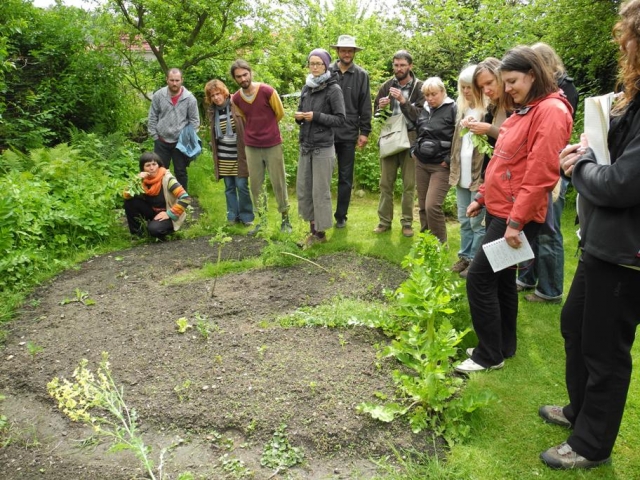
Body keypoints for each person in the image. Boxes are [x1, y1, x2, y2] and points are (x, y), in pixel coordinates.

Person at [538, 0, 640, 469]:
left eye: (628, 39)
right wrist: (590, 149)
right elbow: (612, 159)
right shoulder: (632, 97)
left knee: (605, 351)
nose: (623, 48)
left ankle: (590, 445)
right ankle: (580, 413)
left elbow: (622, 184)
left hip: (626, 252)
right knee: (574, 326)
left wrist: (579, 165)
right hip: (602, 243)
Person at [455, 46, 573, 374]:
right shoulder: (526, 108)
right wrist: (481, 196)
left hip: (515, 216)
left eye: (512, 81)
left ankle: (487, 354)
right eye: (504, 82)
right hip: (501, 209)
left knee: (478, 279)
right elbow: (504, 162)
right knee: (504, 280)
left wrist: (516, 222)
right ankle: (504, 345)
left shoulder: (550, 111)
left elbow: (539, 174)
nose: (507, 89)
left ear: (533, 75)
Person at [516, 42, 579, 304]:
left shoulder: (563, 91)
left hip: (552, 172)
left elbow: (554, 138)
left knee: (549, 233)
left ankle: (551, 290)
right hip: (539, 167)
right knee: (532, 228)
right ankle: (528, 277)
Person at [456, 57, 513, 279]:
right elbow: (495, 155)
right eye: (482, 87)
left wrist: (488, 128)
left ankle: (476, 266)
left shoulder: (520, 108)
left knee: (483, 277)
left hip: (511, 192)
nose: (487, 90)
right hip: (494, 184)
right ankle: (469, 259)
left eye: (490, 83)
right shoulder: (494, 108)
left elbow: (516, 145)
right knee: (502, 275)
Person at [230, 59, 291, 235]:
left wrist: (268, 129)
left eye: (245, 74)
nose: (243, 79)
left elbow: (279, 113)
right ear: (235, 79)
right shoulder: (236, 98)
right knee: (256, 185)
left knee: (278, 182)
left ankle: (285, 219)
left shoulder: (267, 91)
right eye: (238, 77)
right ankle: (262, 221)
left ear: (250, 73)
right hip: (252, 145)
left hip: (272, 143)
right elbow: (243, 116)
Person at [295, 49, 346, 247]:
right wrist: (299, 118)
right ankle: (312, 230)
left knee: (320, 191)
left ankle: (320, 233)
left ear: (326, 65)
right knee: (305, 189)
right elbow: (303, 111)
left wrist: (315, 116)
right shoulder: (306, 88)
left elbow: (341, 119)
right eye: (311, 63)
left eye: (319, 63)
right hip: (305, 146)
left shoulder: (333, 89)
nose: (315, 67)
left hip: (323, 148)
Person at [372, 50, 425, 237]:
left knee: (409, 185)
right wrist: (381, 107)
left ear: (410, 66)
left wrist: (403, 101)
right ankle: (384, 222)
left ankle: (407, 223)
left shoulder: (419, 87)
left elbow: (422, 116)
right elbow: (376, 116)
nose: (399, 68)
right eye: (396, 65)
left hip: (411, 139)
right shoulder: (386, 85)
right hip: (389, 138)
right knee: (385, 183)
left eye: (402, 65)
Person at [329, 35, 372, 228]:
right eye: (343, 50)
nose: (347, 53)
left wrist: (365, 132)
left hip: (348, 133)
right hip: (326, 132)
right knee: (324, 176)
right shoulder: (327, 71)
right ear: (337, 51)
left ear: (354, 52)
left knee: (345, 177)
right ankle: (320, 215)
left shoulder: (362, 75)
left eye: (350, 50)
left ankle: (341, 216)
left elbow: (365, 105)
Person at [449, 65, 487, 275]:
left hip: (478, 173)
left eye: (469, 87)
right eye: (462, 87)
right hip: (461, 171)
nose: (465, 91)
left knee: (477, 221)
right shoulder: (462, 109)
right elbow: (457, 143)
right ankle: (464, 256)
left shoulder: (486, 112)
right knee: (464, 218)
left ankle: (475, 260)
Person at [412, 77, 457, 243]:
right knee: (423, 206)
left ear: (443, 92)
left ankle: (439, 245)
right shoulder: (425, 109)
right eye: (427, 95)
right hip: (421, 163)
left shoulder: (453, 108)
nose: (430, 98)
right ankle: (425, 242)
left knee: (432, 206)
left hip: (441, 166)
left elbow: (458, 138)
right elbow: (419, 131)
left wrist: (448, 159)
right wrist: (414, 150)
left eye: (433, 94)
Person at [204, 79, 254, 226]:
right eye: (212, 96)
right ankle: (232, 216)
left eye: (218, 93)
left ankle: (246, 217)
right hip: (223, 156)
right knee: (229, 188)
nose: (216, 98)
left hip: (239, 155)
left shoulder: (236, 104)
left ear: (224, 92)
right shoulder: (213, 111)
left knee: (242, 186)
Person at [148, 68, 200, 191]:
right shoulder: (158, 95)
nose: (174, 83)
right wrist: (155, 136)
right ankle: (160, 199)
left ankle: (182, 201)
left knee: (180, 172)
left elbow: (195, 121)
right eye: (172, 80)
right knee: (160, 171)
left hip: (180, 144)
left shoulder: (190, 98)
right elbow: (152, 116)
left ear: (182, 80)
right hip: (161, 141)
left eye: (177, 80)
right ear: (167, 80)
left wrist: (187, 139)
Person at [123, 152, 191, 239]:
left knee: (154, 230)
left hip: (169, 212)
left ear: (158, 165)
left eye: (154, 164)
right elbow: (126, 195)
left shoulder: (168, 179)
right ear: (143, 168)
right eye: (148, 165)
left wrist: (169, 214)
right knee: (130, 201)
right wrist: (136, 179)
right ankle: (138, 235)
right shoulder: (142, 180)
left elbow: (186, 198)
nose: (152, 168)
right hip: (153, 211)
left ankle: (169, 229)